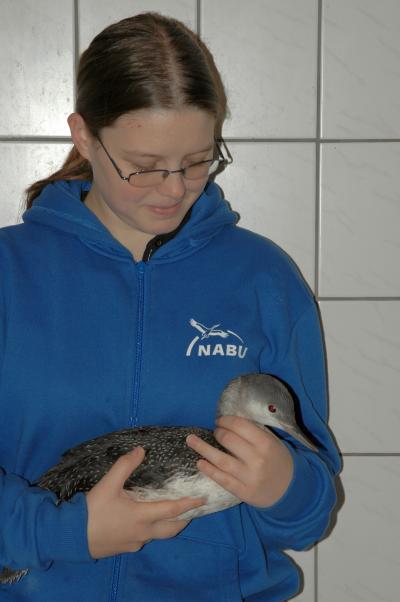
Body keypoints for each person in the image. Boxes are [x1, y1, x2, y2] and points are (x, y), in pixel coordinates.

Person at [0, 12, 341, 602]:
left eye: (198, 160)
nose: (175, 188)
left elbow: (308, 511)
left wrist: (285, 485)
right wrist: (65, 531)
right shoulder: (10, 272)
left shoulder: (262, 277)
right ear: (84, 136)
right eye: (145, 166)